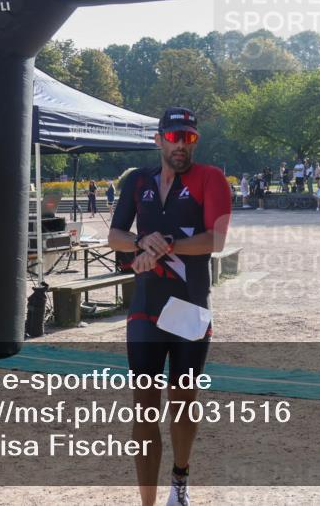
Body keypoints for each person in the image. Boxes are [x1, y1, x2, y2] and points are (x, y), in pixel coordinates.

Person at [108, 107, 232, 506]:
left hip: (189, 306)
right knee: (144, 409)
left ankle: (179, 479)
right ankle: (146, 502)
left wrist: (167, 245)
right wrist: (142, 243)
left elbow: (216, 241)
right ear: (159, 139)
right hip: (145, 307)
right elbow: (114, 235)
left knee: (182, 403)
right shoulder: (137, 182)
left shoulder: (211, 179)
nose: (182, 145)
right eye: (175, 137)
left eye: (189, 138)